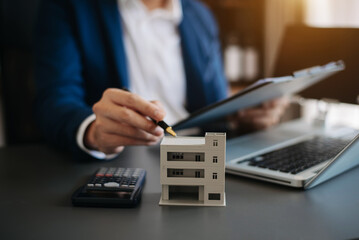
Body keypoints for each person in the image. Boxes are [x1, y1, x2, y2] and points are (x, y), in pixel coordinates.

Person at [34, 0, 288, 161]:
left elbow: (213, 102)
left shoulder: (200, 15)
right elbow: (55, 100)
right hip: (122, 162)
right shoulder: (68, 7)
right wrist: (95, 132)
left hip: (202, 158)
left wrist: (241, 114)